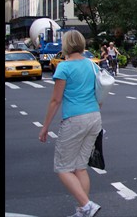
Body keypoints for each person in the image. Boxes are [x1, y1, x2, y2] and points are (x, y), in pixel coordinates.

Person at [38, 30, 103, 217]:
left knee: (62, 167)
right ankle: (84, 208)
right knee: (80, 166)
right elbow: (100, 93)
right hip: (94, 116)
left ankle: (87, 205)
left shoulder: (64, 68)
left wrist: (45, 127)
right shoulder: (92, 66)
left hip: (75, 118)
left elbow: (55, 100)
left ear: (66, 45)